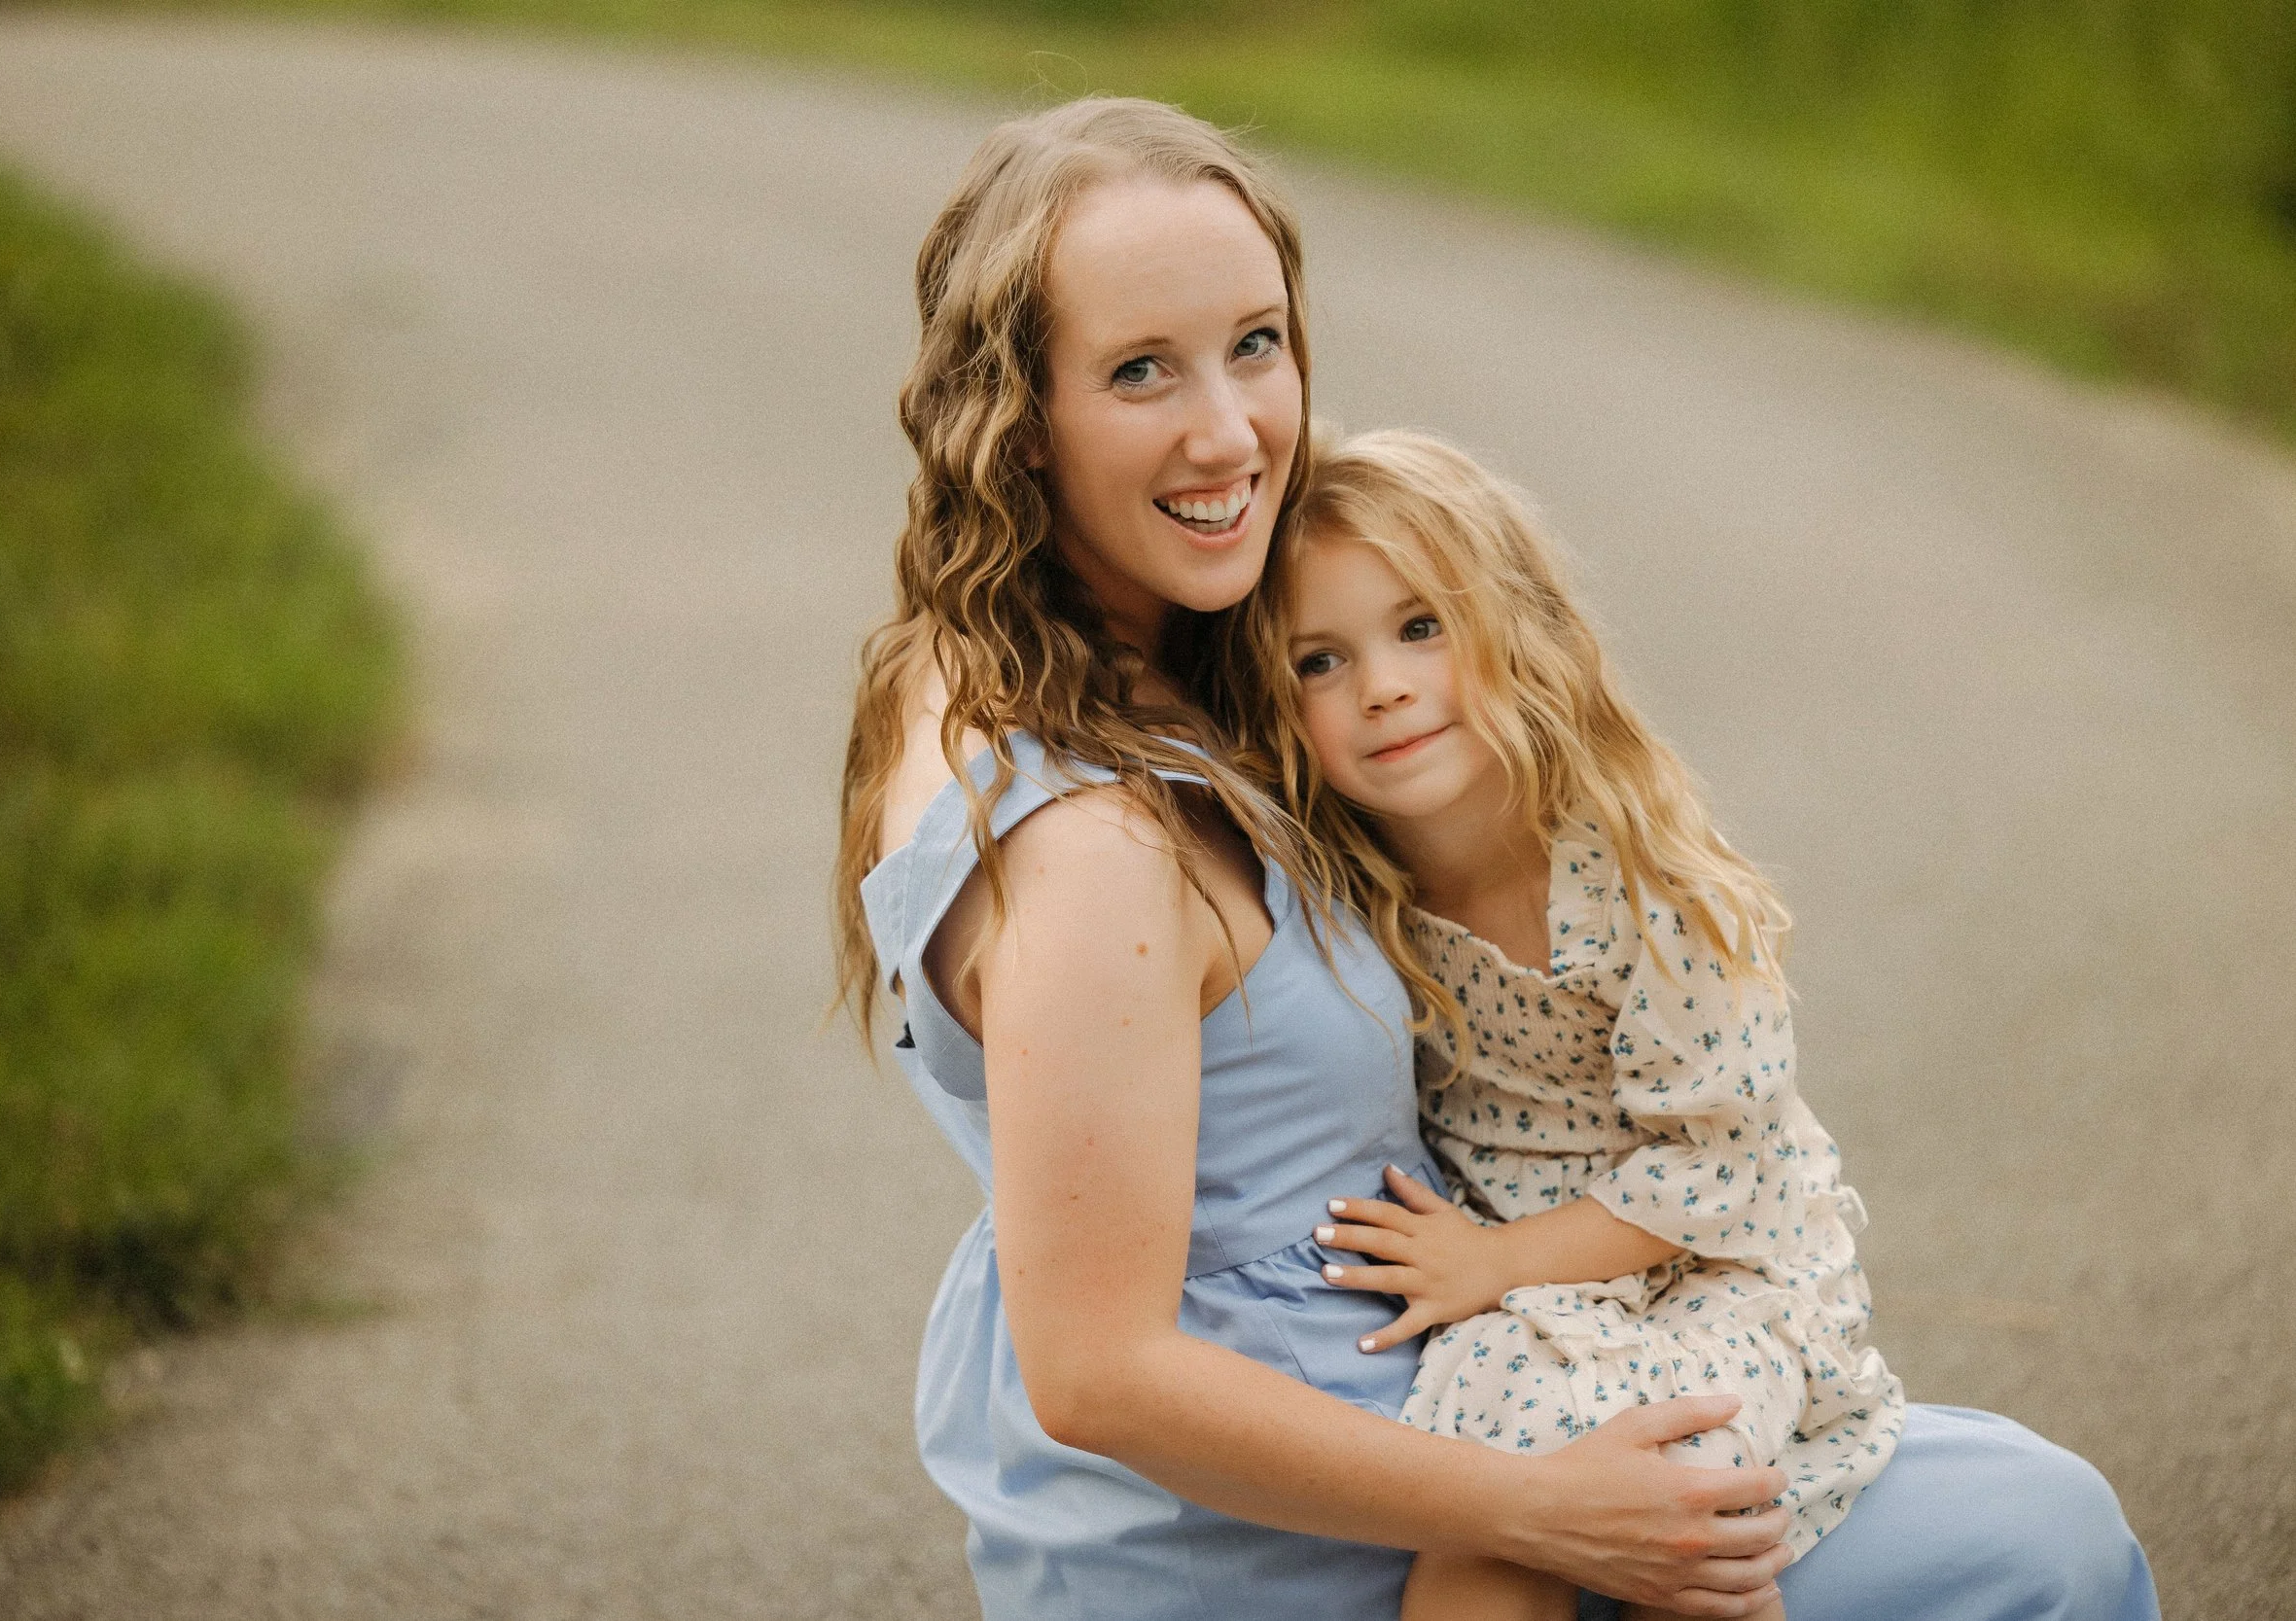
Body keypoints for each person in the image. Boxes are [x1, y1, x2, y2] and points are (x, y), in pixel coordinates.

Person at [833, 95, 2160, 1620]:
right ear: (1018, 415)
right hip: (1320, 1513)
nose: (1232, 429)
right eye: (1142, 370)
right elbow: (1098, 1372)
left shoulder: (978, 655)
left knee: (1994, 1485)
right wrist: (1547, 1508)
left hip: (1440, 1395)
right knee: (2042, 1543)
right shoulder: (1094, 846)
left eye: (1256, 343)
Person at [1219, 427, 1900, 1619]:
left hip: (1719, 1275)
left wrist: (1498, 1262)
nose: (1380, 684)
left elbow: (1723, 1165)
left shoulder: (1636, 879)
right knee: (1481, 1527)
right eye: (1318, 661)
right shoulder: (1349, 878)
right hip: (1537, 1296)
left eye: (1420, 627)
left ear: (1514, 628)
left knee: (1679, 1516)